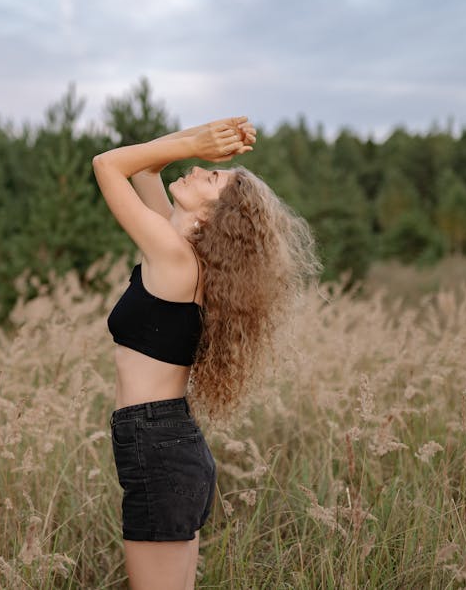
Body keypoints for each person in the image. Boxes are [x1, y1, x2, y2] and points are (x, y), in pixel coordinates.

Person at [93, 116, 319, 589]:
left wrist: (195, 141)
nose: (196, 169)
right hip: (166, 441)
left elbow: (109, 165)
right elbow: (145, 172)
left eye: (210, 176)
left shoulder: (175, 261)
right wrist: (209, 135)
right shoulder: (180, 252)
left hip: (157, 445)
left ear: (216, 217)